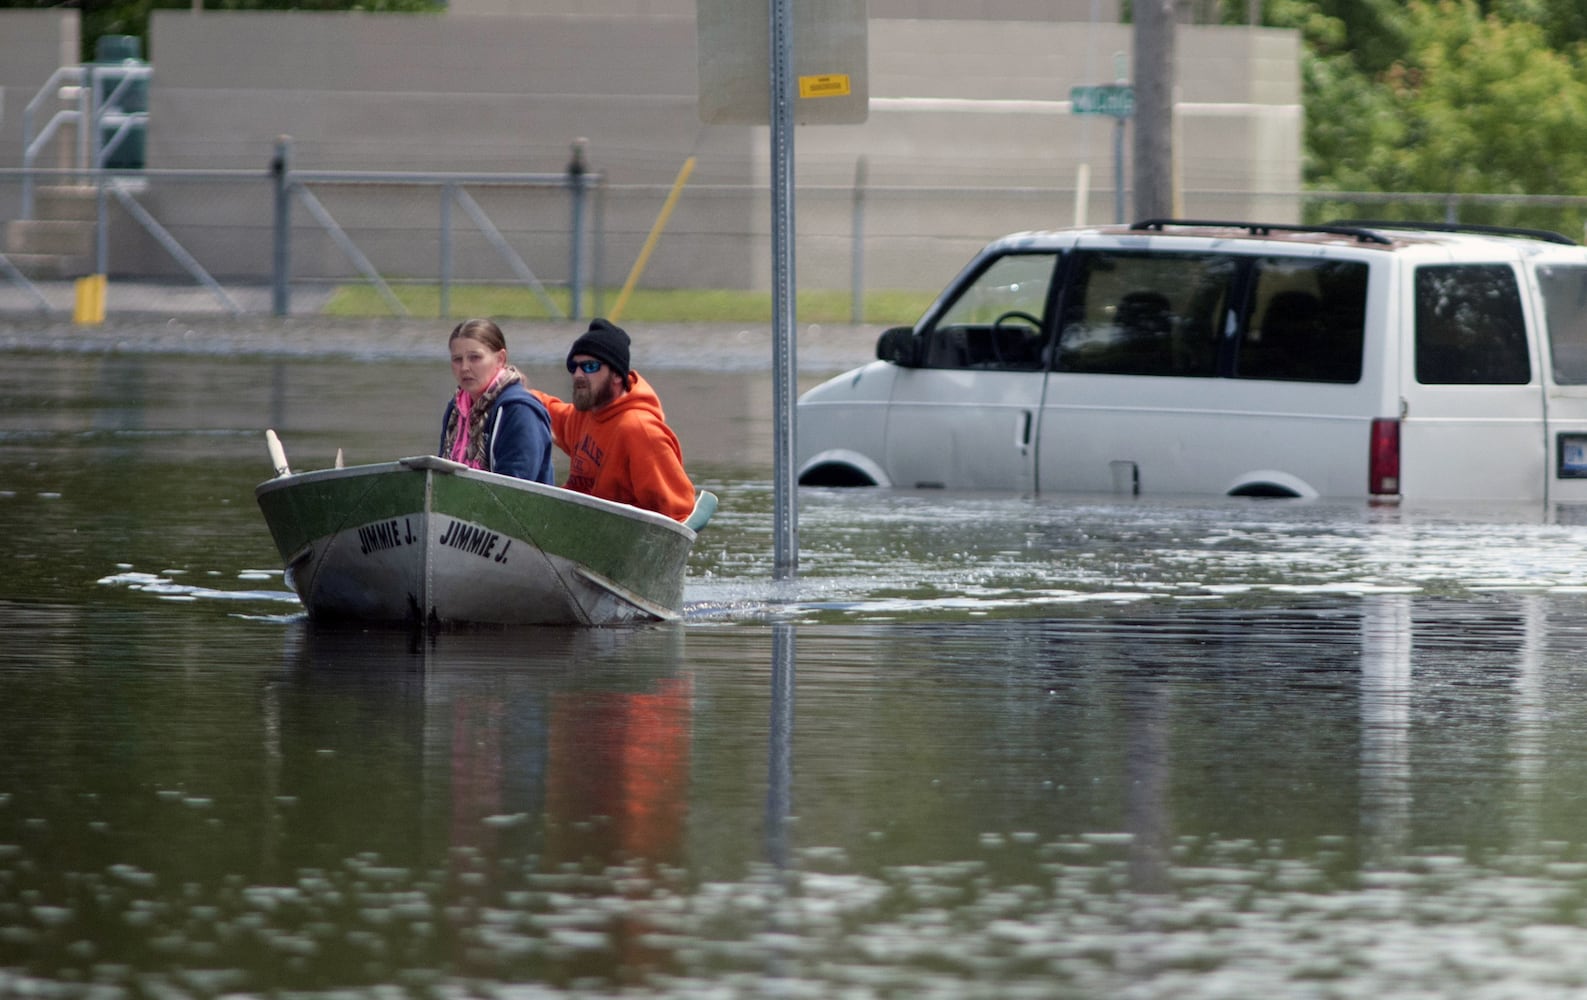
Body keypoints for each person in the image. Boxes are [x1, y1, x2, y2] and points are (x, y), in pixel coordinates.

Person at [531, 318, 697, 521]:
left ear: (617, 375)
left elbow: (678, 514)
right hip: (582, 527)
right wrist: (503, 386)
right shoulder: (584, 415)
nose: (578, 375)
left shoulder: (639, 430)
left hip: (622, 538)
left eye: (590, 367)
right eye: (574, 367)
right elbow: (545, 410)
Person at [438, 318, 555, 484]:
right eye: (457, 359)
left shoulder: (519, 411)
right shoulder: (455, 408)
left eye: (475, 358)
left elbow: (516, 489)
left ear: (500, 359)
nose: (464, 367)